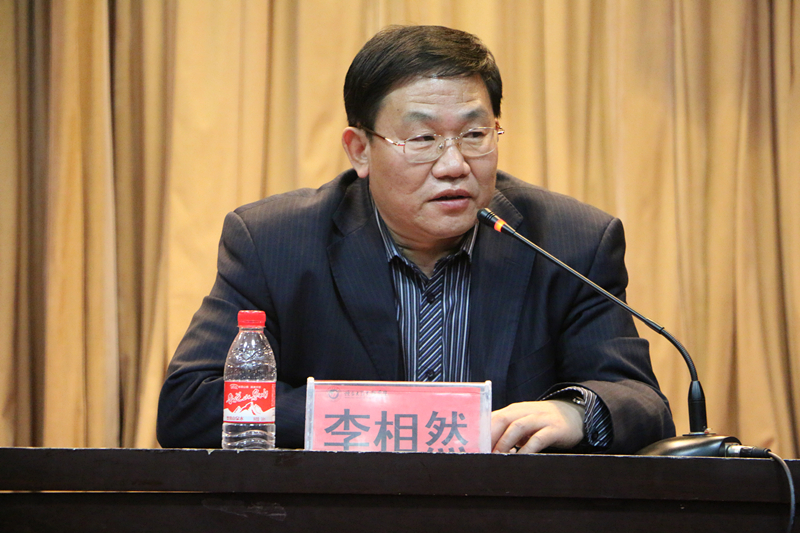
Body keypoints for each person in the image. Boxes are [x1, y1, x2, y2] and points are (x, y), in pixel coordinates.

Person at [157, 25, 675, 454]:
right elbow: (192, 402)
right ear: (360, 150)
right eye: (423, 139)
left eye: (474, 135)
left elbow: (639, 401)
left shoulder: (570, 242)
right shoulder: (275, 242)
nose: (454, 165)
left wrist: (575, 412)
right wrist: (379, 420)